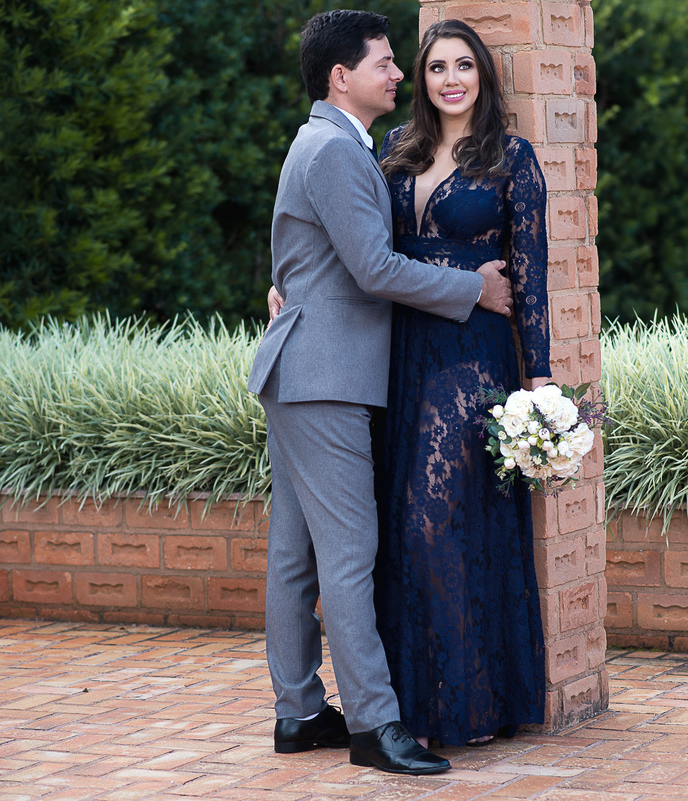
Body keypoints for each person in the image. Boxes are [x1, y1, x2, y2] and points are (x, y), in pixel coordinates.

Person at [247, 10, 514, 776]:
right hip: (323, 379)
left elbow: (311, 264)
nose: (401, 74)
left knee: (296, 555)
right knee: (350, 551)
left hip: (306, 371)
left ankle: (298, 712)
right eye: (386, 63)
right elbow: (373, 268)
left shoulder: (330, 144)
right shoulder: (333, 150)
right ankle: (375, 724)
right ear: (342, 76)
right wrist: (473, 288)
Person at [372, 19, 550, 748]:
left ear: (484, 75)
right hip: (400, 351)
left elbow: (533, 280)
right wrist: (289, 286)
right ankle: (410, 705)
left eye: (464, 66)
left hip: (473, 359)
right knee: (398, 527)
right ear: (422, 79)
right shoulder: (395, 151)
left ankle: (469, 701)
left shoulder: (513, 159)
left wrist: (541, 385)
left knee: (435, 517)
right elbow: (363, 250)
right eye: (437, 67)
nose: (450, 79)